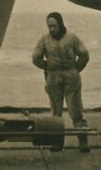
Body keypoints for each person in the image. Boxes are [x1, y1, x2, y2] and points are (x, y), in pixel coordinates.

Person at [32, 12, 91, 151]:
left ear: (60, 24)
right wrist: (47, 67)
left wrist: (76, 70)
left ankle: (83, 142)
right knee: (55, 112)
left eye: (54, 26)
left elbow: (84, 55)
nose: (52, 29)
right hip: (53, 76)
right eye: (49, 26)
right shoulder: (44, 39)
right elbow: (35, 58)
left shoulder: (72, 38)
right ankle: (56, 143)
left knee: (75, 110)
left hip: (71, 76)